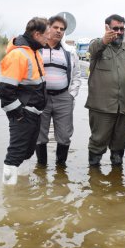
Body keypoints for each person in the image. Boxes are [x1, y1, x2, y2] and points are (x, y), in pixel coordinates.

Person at [0, 17, 49, 185]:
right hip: (23, 114)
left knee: (27, 153)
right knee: (15, 155)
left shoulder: (34, 52)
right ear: (37, 34)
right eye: (46, 35)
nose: (48, 38)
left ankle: (23, 192)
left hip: (35, 114)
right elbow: (5, 92)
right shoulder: (18, 55)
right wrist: (18, 115)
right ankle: (10, 200)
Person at [85, 14, 125, 166]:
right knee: (97, 142)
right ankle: (94, 181)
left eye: (122, 29)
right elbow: (94, 50)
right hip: (102, 108)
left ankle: (116, 182)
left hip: (124, 108)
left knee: (120, 144)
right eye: (115, 28)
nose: (119, 32)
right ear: (106, 28)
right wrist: (104, 40)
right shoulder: (97, 46)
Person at [35, 15, 81, 167]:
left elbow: (76, 76)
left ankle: (61, 169)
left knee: (64, 135)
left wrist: (71, 95)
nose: (59, 31)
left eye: (62, 29)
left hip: (63, 98)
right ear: (48, 28)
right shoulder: (37, 49)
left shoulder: (69, 51)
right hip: (41, 99)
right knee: (39, 135)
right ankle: (41, 168)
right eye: (56, 27)